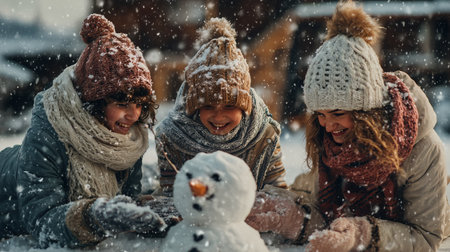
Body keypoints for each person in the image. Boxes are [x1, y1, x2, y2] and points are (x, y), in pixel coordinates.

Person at [246, 1, 450, 251]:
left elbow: (426, 238)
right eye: (320, 114)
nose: (328, 125)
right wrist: (297, 219)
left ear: (368, 112)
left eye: (338, 113)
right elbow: (328, 220)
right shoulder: (332, 143)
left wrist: (364, 234)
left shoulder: (423, 150)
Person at [0, 14, 167, 248]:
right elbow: (41, 221)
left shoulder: (129, 138)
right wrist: (93, 215)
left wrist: (142, 207)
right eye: (122, 104)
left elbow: (126, 198)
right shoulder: (48, 136)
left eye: (139, 104)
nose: (134, 115)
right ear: (94, 103)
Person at [154, 17, 287, 196]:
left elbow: (278, 193)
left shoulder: (265, 136)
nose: (218, 116)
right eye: (208, 106)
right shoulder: (172, 138)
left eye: (229, 106)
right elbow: (170, 195)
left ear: (244, 106)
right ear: (194, 107)